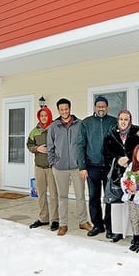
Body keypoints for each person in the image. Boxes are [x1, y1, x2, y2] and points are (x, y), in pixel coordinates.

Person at [47, 98, 93, 236]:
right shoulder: (54, 126)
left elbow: (84, 144)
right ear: (58, 110)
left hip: (77, 167)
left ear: (70, 108)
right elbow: (50, 146)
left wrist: (83, 163)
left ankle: (83, 221)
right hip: (59, 167)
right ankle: (63, 224)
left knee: (80, 196)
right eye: (61, 109)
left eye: (66, 109)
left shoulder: (79, 124)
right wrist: (53, 163)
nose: (64, 111)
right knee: (62, 197)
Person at [103, 109, 139, 242]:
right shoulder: (110, 134)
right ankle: (116, 231)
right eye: (121, 119)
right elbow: (106, 153)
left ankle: (133, 232)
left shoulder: (137, 133)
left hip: (133, 173)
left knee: (132, 203)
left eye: (126, 119)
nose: (123, 122)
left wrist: (129, 158)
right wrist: (117, 159)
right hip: (116, 173)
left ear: (130, 121)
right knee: (116, 203)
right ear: (118, 120)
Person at [78, 96, 117, 238]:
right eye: (98, 106)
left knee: (109, 198)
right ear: (95, 107)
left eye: (103, 106)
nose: (101, 108)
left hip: (109, 167)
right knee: (94, 197)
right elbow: (80, 145)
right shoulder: (86, 123)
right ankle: (98, 225)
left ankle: (110, 227)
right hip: (92, 166)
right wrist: (82, 166)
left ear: (107, 107)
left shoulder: (113, 122)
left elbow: (125, 132)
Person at [26, 106, 59, 231]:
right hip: (39, 166)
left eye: (46, 115)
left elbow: (60, 144)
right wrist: (36, 149)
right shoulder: (35, 131)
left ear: (49, 116)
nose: (44, 118)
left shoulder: (55, 128)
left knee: (54, 194)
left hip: (52, 167)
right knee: (41, 193)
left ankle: (55, 219)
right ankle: (43, 218)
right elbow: (29, 144)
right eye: (41, 116)